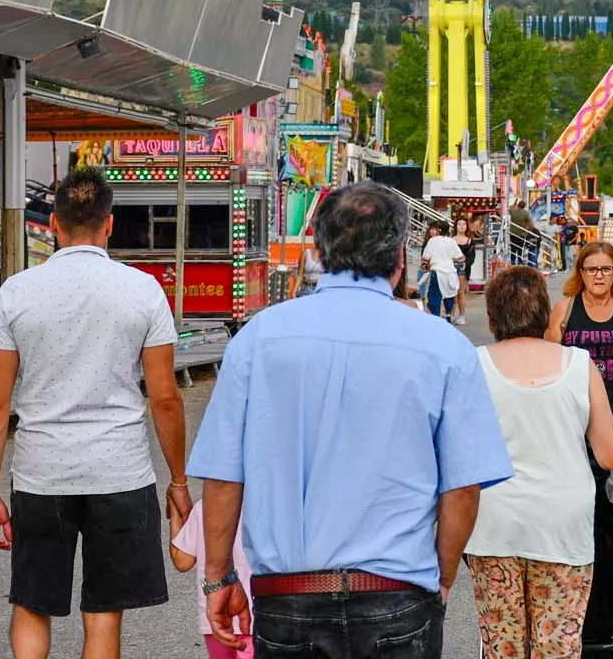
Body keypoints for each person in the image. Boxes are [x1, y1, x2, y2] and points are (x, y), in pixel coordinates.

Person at [187, 183, 513, 658]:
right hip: (398, 592)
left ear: (319, 249)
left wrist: (219, 575)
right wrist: (439, 580)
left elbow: (222, 477)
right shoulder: (443, 347)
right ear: (400, 254)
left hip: (287, 595)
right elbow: (462, 487)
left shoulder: (259, 340)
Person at [0, 167, 192, 659]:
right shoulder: (142, 290)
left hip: (40, 474)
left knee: (32, 603)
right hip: (119, 473)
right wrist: (178, 480)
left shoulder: (17, 292)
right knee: (103, 613)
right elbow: (165, 398)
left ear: (53, 223)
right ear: (109, 224)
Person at [467, 268, 613, 659]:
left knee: (502, 644)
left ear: (492, 318)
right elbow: (611, 455)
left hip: (494, 523)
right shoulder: (578, 364)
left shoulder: (474, 364)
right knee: (557, 645)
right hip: (562, 523)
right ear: (546, 315)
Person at [548, 242, 613, 444]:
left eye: (606, 269)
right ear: (581, 272)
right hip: (576, 412)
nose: (599, 275)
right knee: (579, 474)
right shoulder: (564, 309)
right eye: (591, 269)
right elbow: (550, 363)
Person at [171, 499, 254, 659]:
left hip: (216, 616)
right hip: (257, 615)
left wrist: (175, 514)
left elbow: (182, 561)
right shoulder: (269, 507)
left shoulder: (205, 506)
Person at [421, 222, 465, 320]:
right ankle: (448, 317)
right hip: (450, 273)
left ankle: (435, 320)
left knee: (434, 298)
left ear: (438, 230)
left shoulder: (432, 241)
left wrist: (427, 264)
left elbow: (425, 258)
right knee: (449, 296)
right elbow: (461, 258)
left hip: (437, 272)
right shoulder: (451, 242)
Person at [451, 217, 477, 325]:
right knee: (451, 292)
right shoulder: (450, 240)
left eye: (464, 224)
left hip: (463, 268)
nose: (461, 226)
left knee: (460, 292)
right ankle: (450, 314)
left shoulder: (470, 241)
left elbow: (472, 257)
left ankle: (462, 316)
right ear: (456, 226)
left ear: (466, 227)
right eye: (459, 224)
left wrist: (466, 263)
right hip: (451, 267)